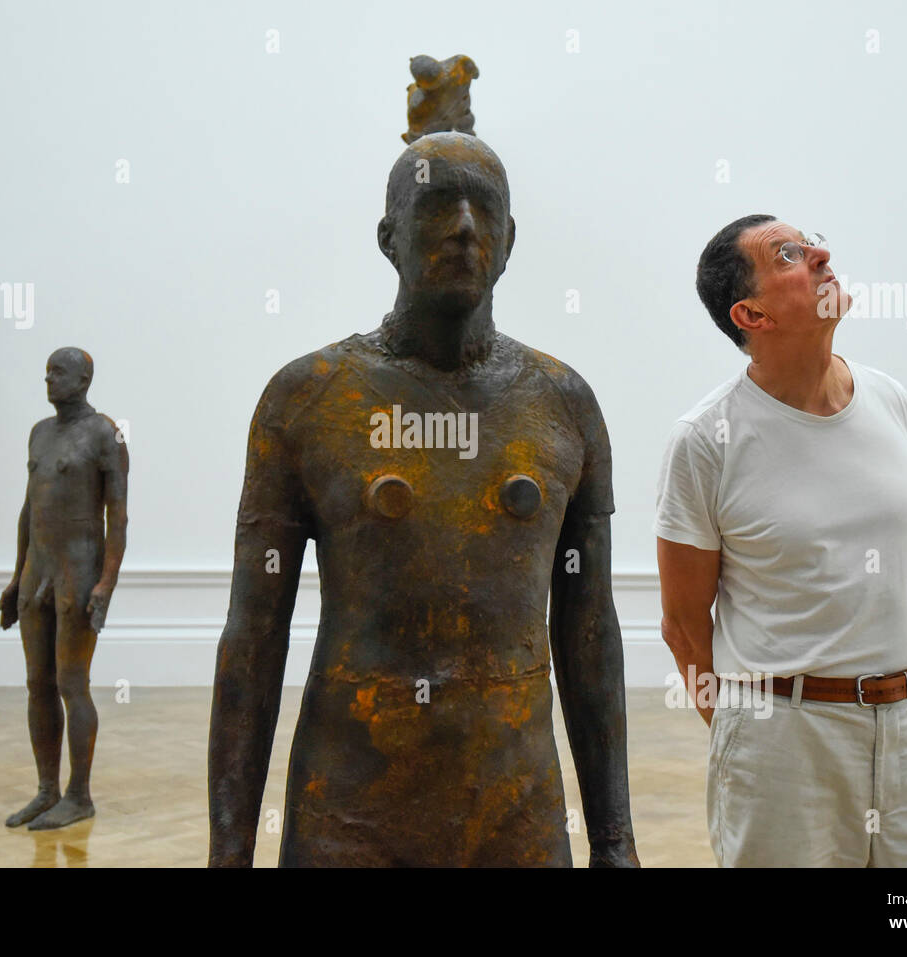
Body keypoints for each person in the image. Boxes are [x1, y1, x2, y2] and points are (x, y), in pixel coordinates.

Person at [208, 132, 639, 867]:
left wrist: (613, 841)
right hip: (349, 809)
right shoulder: (308, 400)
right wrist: (229, 851)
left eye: (485, 211)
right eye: (438, 204)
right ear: (388, 237)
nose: (465, 227)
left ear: (508, 242)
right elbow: (252, 640)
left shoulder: (562, 404)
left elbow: (589, 633)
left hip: (516, 812)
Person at [654, 214, 907, 866]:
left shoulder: (891, 401)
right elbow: (683, 623)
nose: (821, 255)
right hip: (784, 741)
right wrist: (740, 736)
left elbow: (897, 553)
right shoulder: (705, 440)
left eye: (811, 245)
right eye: (790, 255)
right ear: (751, 314)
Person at [0, 347, 129, 830]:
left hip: (78, 570)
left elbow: (118, 516)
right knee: (38, 684)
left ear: (83, 379)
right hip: (38, 572)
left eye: (57, 371)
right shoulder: (39, 433)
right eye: (47, 370)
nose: (47, 378)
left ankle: (79, 795)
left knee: (72, 683)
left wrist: (106, 583)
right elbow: (28, 510)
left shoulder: (104, 434)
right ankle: (46, 790)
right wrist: (17, 577)